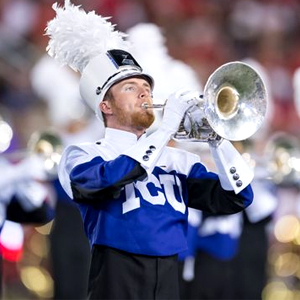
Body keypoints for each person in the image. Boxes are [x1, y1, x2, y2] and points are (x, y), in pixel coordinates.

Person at [45, 1, 254, 299]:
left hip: (169, 280)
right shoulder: (83, 155)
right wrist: (166, 129)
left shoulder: (178, 160)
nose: (145, 92)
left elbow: (238, 197)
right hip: (115, 280)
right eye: (130, 87)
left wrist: (218, 138)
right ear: (105, 105)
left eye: (147, 87)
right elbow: (110, 178)